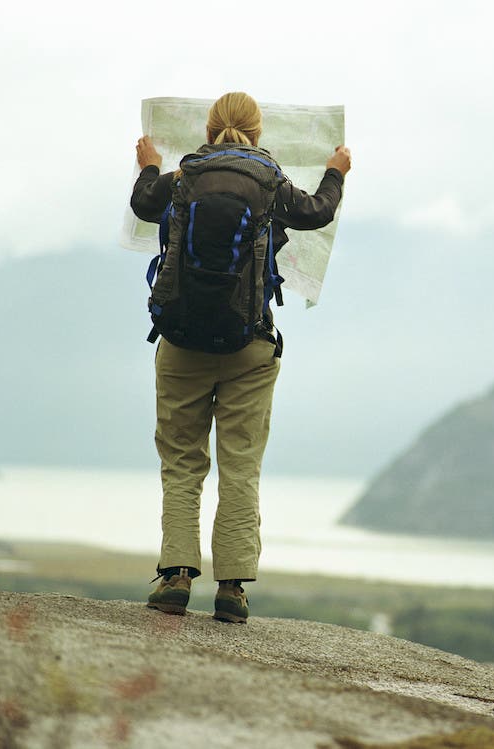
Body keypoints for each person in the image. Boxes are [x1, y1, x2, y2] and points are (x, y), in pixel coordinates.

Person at [130, 92, 351, 623]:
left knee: (182, 461)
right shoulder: (272, 182)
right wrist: (336, 172)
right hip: (249, 343)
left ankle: (176, 578)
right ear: (256, 132)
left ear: (208, 130)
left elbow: (143, 205)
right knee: (241, 464)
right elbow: (317, 213)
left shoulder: (183, 177)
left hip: (180, 341)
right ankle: (231, 589)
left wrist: (149, 166)